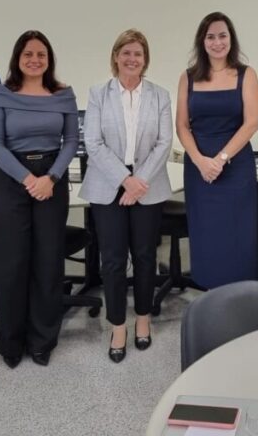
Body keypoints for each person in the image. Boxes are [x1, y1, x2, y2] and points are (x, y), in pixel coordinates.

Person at [0, 30, 79, 368]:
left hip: (52, 178)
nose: (35, 59)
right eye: (28, 54)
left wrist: (50, 178)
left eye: (41, 54)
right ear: (17, 58)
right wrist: (28, 179)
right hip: (12, 180)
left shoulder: (63, 94)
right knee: (11, 262)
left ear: (49, 59)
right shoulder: (0, 93)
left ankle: (42, 340)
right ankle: (10, 342)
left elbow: (71, 142)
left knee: (48, 261)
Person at [80, 29, 172, 362]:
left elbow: (164, 142)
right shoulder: (98, 94)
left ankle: (143, 319)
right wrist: (125, 179)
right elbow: (93, 142)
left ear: (145, 59)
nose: (132, 59)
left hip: (148, 186)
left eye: (139, 54)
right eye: (126, 53)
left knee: (146, 257)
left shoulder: (159, 95)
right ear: (116, 56)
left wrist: (138, 181)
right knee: (114, 261)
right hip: (108, 185)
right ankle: (118, 324)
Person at [176, 11, 258, 288]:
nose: (217, 42)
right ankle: (210, 297)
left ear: (231, 39)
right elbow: (182, 126)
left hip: (235, 166)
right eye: (210, 36)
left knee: (239, 234)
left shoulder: (246, 75)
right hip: (200, 168)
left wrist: (221, 159)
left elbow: (250, 124)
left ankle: (244, 295)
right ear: (202, 41)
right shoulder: (188, 78)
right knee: (207, 235)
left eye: (222, 35)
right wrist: (201, 162)